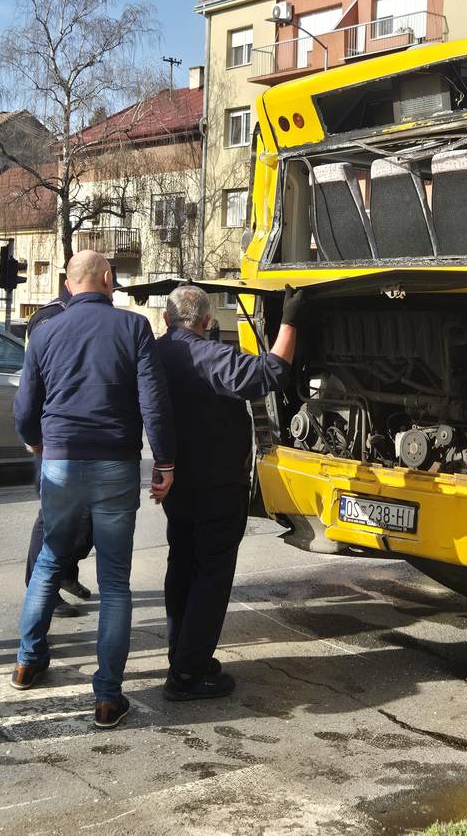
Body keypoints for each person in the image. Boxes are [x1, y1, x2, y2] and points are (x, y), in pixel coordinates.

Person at [10, 250, 176, 731]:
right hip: (114, 463)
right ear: (107, 279)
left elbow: (26, 404)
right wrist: (164, 462)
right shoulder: (133, 328)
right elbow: (154, 402)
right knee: (115, 582)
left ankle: (26, 663)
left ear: (68, 283)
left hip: (60, 462)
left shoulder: (44, 331)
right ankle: (106, 698)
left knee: (49, 560)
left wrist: (37, 442)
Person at [156, 283, 302, 702]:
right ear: (206, 321)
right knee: (210, 576)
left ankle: (183, 655)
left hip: (178, 483)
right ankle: (188, 675)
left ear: (166, 318)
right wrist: (291, 318)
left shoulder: (157, 353)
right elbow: (272, 372)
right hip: (217, 485)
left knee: (181, 567)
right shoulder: (208, 355)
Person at [25, 282, 93, 618]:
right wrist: (33, 433)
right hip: (54, 436)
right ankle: (42, 590)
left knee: (87, 516)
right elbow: (36, 383)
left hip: (83, 434)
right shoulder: (51, 318)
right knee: (54, 517)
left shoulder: (83, 315)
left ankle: (65, 572)